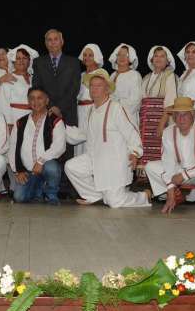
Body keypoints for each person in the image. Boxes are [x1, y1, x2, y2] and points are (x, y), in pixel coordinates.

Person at [64, 69, 150, 208]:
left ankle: (143, 196)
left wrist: (135, 152)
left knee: (115, 202)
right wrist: (61, 128)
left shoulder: (116, 108)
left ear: (107, 89)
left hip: (114, 162)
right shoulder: (91, 110)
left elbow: (131, 132)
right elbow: (84, 134)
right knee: (71, 167)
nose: (94, 88)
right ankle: (94, 195)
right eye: (92, 85)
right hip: (94, 158)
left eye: (98, 85)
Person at [145, 97, 195, 212]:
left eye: (185, 115)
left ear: (193, 115)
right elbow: (168, 162)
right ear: (174, 117)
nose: (181, 119)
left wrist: (184, 175)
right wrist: (170, 189)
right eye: (177, 115)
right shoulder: (168, 132)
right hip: (178, 171)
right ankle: (173, 193)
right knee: (150, 167)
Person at [8, 87, 66, 204]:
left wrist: (40, 161)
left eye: (40, 98)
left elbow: (60, 146)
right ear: (28, 101)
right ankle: (39, 189)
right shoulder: (20, 122)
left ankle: (51, 194)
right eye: (32, 98)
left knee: (52, 168)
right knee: (19, 197)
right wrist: (18, 171)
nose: (36, 101)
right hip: (28, 171)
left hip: (45, 167)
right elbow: (12, 148)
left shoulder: (55, 120)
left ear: (47, 100)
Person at [31, 28, 82, 127]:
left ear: (62, 42)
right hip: (46, 112)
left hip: (68, 113)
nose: (53, 42)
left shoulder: (74, 62)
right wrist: (50, 106)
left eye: (56, 39)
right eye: (49, 40)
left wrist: (59, 107)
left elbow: (74, 89)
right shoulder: (38, 62)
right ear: (46, 43)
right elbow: (37, 86)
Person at [139, 45, 178, 166]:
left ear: (167, 60)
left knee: (161, 151)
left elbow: (170, 102)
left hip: (162, 119)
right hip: (146, 123)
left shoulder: (170, 76)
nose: (158, 58)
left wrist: (161, 124)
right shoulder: (146, 78)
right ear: (151, 59)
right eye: (156, 56)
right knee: (145, 150)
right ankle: (145, 174)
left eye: (162, 56)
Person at [0, 45, 38, 131]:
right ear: (14, 61)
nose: (21, 61)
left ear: (29, 61)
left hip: (34, 120)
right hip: (15, 121)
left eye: (24, 58)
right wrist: (8, 124)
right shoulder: (8, 78)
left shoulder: (34, 79)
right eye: (18, 58)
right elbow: (3, 104)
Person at [75, 43, 105, 157]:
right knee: (80, 141)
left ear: (96, 56)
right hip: (80, 112)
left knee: (92, 141)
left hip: (94, 110)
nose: (87, 58)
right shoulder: (81, 75)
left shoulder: (101, 74)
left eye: (90, 55)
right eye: (85, 55)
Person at [109, 43, 142, 129]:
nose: (122, 57)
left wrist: (116, 110)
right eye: (119, 54)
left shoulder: (134, 75)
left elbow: (135, 101)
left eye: (125, 55)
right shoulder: (112, 75)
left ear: (130, 58)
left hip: (127, 119)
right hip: (110, 118)